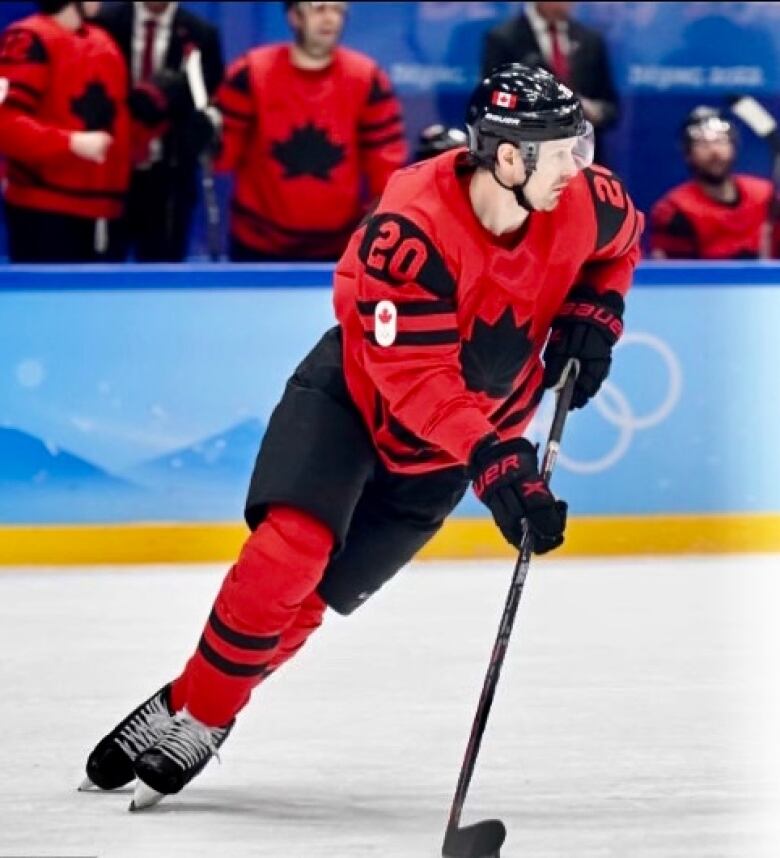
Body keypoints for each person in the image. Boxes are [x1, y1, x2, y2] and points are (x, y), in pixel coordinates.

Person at [80, 64, 642, 811]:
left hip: (457, 449)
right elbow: (417, 381)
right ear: (508, 158)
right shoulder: (410, 228)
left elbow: (619, 250)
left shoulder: (585, 201)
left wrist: (596, 318)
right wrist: (499, 464)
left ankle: (187, 696)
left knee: (312, 600)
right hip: (355, 403)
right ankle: (209, 717)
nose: (580, 165)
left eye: (582, 144)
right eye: (562, 149)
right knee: (290, 552)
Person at [214, 1, 407, 262]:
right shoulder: (249, 73)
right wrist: (205, 137)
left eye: (338, 10)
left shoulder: (368, 78)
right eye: (320, 9)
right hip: (257, 244)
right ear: (294, 16)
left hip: (341, 247)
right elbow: (221, 159)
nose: (330, 19)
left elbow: (386, 170)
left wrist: (376, 231)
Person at [92, 1, 224, 262]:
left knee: (164, 263)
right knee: (101, 267)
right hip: (108, 170)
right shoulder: (104, 24)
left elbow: (209, 97)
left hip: (169, 177)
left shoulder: (201, 33)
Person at [0, 0, 130, 262]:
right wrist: (70, 143)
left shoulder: (104, 41)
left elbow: (117, 126)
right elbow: (5, 123)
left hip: (105, 211)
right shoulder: (26, 40)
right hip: (46, 212)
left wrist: (154, 112)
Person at [481, 2, 618, 164]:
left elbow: (611, 107)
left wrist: (594, 111)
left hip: (582, 161)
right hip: (527, 161)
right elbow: (493, 105)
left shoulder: (591, 40)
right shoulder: (503, 39)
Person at [649, 106, 779, 259]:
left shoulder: (765, 195)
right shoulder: (674, 211)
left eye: (721, 141)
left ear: (734, 148)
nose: (714, 151)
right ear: (688, 154)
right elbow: (674, 275)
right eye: (703, 144)